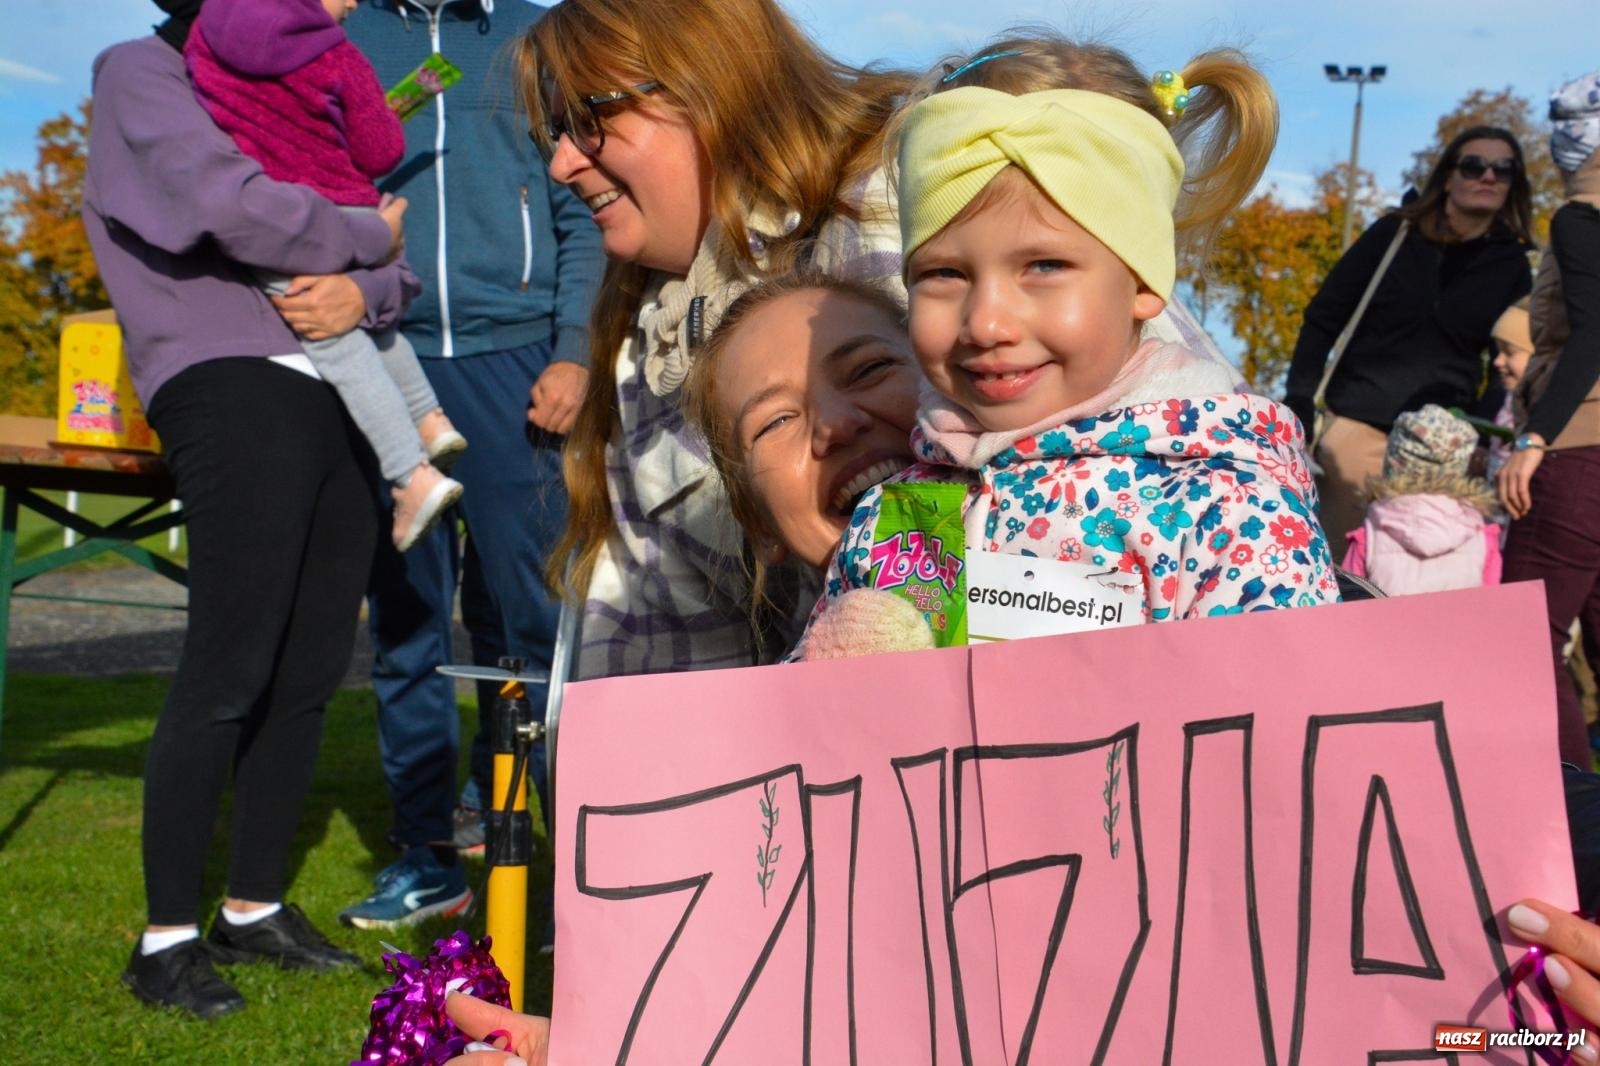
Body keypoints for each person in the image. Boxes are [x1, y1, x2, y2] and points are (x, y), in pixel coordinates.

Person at [781, 43, 1337, 654]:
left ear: (1145, 280)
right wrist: (833, 660)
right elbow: (818, 732)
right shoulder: (903, 513)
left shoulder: (1226, 506)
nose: (987, 323)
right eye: (944, 273)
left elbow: (1275, 720)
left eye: (1043, 265)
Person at [85, 0, 412, 1019]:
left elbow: (389, 274)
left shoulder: (305, 87)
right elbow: (227, 201)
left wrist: (368, 291)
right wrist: (363, 237)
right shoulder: (142, 67)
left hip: (344, 378)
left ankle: (254, 906)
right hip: (228, 375)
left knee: (311, 667)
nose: (348, 4)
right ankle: (165, 938)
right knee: (230, 660)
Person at [337, 0, 604, 929]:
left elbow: (582, 206)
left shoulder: (541, 36)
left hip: (519, 364)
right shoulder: (344, 35)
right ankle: (425, 855)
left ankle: (546, 846)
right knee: (408, 620)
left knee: (529, 619)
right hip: (387, 362)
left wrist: (573, 347)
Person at [184, 0, 466, 551]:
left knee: (338, 333)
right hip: (350, 208)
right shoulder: (338, 52)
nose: (356, 3)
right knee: (357, 331)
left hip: (274, 214)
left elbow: (201, 117)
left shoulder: (206, 34)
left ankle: (422, 448)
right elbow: (381, 148)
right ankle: (417, 456)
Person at [1285, 126, 1535, 552]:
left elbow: (1506, 367)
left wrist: (1479, 434)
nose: (1488, 177)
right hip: (1358, 433)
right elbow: (1323, 319)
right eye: (1474, 166)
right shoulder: (1393, 235)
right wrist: (1300, 403)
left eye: (1503, 170)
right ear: (1448, 177)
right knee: (1338, 574)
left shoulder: (1513, 264)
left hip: (1445, 448)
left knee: (1416, 588)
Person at [1497, 70, 1600, 769]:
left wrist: (1535, 437)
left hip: (1581, 446)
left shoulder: (1580, 216)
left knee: (1520, 639)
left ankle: (1569, 811)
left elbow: (1593, 332)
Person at [1341, 405, 1501, 595]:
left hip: (1385, 625)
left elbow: (1348, 601)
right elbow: (1489, 606)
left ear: (1392, 462)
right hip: (1460, 624)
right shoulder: (1482, 538)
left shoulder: (1368, 538)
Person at [1487, 298, 1534, 480]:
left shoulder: (1550, 411)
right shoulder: (1511, 398)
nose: (1497, 361)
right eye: (1498, 351)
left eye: (1510, 352)